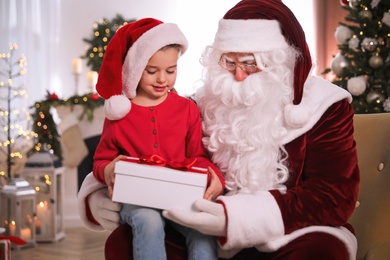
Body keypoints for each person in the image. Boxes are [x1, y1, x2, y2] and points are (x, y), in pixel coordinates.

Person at [78, 1, 360, 259]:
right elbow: (144, 152)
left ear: (280, 62)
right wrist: (97, 196)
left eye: (250, 64)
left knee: (323, 252)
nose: (238, 75)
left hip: (288, 234)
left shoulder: (326, 107)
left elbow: (332, 196)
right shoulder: (200, 103)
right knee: (125, 241)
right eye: (229, 62)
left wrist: (232, 218)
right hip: (206, 232)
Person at [85, 17, 224, 260]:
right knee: (148, 220)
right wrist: (108, 170)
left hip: (179, 196)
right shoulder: (119, 114)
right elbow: (100, 161)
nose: (162, 79)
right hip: (136, 198)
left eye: (171, 71)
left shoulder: (187, 109)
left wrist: (214, 176)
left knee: (202, 228)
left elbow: (198, 157)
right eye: (152, 71)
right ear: (135, 69)